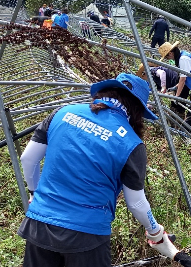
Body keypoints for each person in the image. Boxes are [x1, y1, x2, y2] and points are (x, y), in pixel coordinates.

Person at [17, 73, 166, 266]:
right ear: (137, 110)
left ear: (103, 93)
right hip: (87, 234)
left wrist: (34, 192)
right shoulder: (131, 143)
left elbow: (28, 158)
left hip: (40, 224)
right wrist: (154, 230)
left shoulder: (62, 113)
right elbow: (136, 202)